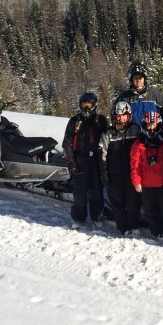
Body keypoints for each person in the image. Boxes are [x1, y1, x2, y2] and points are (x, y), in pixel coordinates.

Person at [62, 91, 107, 226]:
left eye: (89, 105)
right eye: (84, 105)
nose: (86, 108)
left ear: (94, 105)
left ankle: (97, 216)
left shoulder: (101, 120)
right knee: (79, 194)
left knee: (96, 193)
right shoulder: (75, 121)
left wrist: (105, 162)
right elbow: (66, 143)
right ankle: (78, 218)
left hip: (96, 162)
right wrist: (71, 163)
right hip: (79, 161)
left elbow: (107, 140)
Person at [130, 109, 163, 238]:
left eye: (153, 124)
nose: (151, 128)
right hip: (146, 183)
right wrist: (136, 181)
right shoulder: (138, 143)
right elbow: (134, 165)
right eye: (148, 125)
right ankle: (157, 232)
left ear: (158, 125)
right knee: (151, 211)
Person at [99, 100, 142, 235]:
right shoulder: (108, 134)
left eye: (123, 116)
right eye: (117, 116)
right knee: (118, 203)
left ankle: (134, 226)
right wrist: (104, 174)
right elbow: (102, 155)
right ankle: (123, 228)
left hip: (131, 174)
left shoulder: (136, 130)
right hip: (114, 174)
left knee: (133, 202)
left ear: (128, 116)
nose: (120, 119)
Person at [117, 61, 163, 127]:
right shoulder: (124, 97)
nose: (138, 80)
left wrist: (160, 126)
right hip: (132, 134)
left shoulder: (155, 95)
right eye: (135, 78)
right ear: (131, 80)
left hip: (151, 133)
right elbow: (116, 114)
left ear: (144, 79)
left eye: (140, 78)